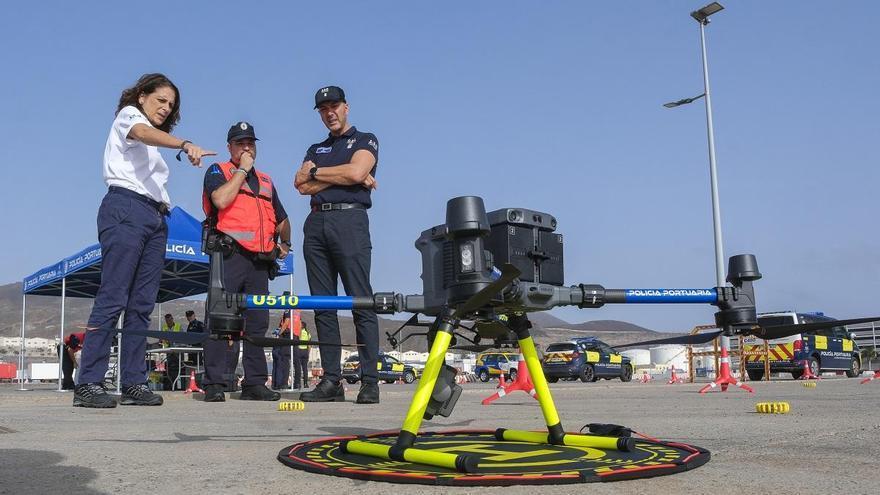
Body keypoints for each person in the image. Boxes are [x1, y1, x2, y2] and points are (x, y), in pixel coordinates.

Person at [74, 73, 215, 408]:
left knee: (141, 304)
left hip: (155, 216)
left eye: (171, 105)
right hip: (126, 208)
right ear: (141, 96)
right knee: (113, 296)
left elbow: (150, 141)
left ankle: (133, 381)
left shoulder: (152, 148)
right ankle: (89, 382)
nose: (166, 108)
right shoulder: (128, 117)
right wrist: (183, 143)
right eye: (160, 100)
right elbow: (141, 132)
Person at [294, 86, 380, 404]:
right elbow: (300, 185)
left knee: (361, 301)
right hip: (316, 223)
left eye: (334, 106)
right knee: (323, 305)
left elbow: (358, 170)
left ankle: (370, 381)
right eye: (323, 109)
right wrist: (346, 176)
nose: (329, 112)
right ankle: (331, 381)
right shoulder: (316, 147)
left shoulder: (365, 139)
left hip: (350, 222)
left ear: (346, 107)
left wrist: (319, 172)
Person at [201, 121, 291, 402]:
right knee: (219, 320)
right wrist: (242, 169)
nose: (247, 147)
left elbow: (282, 217)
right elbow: (220, 201)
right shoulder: (219, 171)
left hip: (259, 261)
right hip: (230, 255)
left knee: (257, 323)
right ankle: (215, 382)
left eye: (251, 143)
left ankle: (254, 383)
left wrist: (284, 243)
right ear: (230, 147)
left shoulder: (265, 180)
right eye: (240, 143)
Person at [271, 313, 291, 390]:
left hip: (275, 349)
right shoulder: (282, 331)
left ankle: (274, 384)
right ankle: (280, 384)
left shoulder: (276, 330)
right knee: (281, 366)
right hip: (280, 349)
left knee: (275, 367)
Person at [293, 321, 311, 390]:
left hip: (299, 350)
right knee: (305, 368)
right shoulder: (308, 333)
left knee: (298, 368)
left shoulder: (299, 332)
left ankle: (298, 383)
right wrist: (308, 353)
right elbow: (309, 345)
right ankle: (306, 383)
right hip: (305, 351)